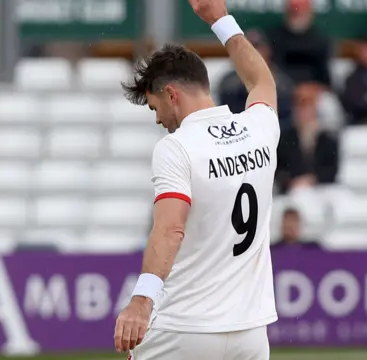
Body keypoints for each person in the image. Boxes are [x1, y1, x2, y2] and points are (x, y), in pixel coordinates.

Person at [114, 0, 279, 359]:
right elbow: (261, 79)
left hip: (186, 328)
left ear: (172, 94)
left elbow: (170, 230)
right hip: (250, 331)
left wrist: (142, 301)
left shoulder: (177, 147)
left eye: (155, 107)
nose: (158, 120)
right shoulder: (260, 127)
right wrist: (221, 20)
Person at [218, 29, 295, 130]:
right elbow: (227, 113)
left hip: (275, 133)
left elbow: (286, 114)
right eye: (250, 47)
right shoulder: (228, 81)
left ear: (268, 50)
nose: (253, 53)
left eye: (258, 47)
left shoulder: (282, 80)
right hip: (239, 133)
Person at [276, 83, 338, 193]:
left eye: (308, 107)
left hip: (322, 192)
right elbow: (279, 170)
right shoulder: (284, 139)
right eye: (300, 108)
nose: (304, 112)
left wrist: (312, 180)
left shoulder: (327, 139)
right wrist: (292, 182)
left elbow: (332, 171)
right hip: (292, 192)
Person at [266, 0, 331, 87]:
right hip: (281, 89)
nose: (297, 11)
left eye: (301, 8)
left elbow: (325, 76)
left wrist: (313, 89)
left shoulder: (320, 39)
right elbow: (274, 68)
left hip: (313, 92)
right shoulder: (274, 37)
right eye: (294, 8)